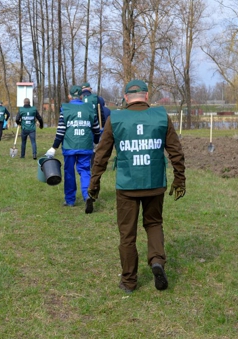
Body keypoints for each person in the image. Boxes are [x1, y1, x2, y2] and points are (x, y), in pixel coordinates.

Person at [86, 79, 186, 293]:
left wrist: (94, 184)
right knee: (154, 223)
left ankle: (129, 281)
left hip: (127, 186)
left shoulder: (116, 118)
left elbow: (101, 155)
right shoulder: (161, 116)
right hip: (154, 183)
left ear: (125, 98)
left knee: (127, 234)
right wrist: (179, 179)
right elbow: (176, 151)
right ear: (147, 96)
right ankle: (157, 260)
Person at [46, 85, 101, 207]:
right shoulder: (90, 108)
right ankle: (87, 196)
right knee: (85, 170)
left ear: (69, 96)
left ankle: (70, 200)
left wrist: (54, 147)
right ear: (81, 95)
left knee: (69, 172)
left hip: (70, 146)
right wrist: (97, 142)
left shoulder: (65, 109)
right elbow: (96, 129)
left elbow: (61, 131)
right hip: (86, 146)